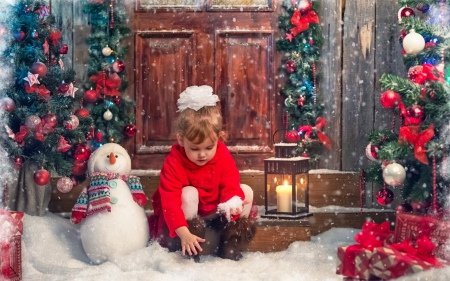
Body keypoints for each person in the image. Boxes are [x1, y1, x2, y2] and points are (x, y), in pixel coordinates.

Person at [148, 85, 256, 262]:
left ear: (218, 138)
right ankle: (191, 248)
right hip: (190, 217)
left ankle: (230, 244)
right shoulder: (174, 162)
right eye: (195, 148)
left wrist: (233, 205)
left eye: (208, 147)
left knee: (246, 191)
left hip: (216, 212)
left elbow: (231, 183)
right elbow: (170, 202)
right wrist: (183, 232)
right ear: (181, 140)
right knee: (189, 193)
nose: (202, 154)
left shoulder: (222, 155)